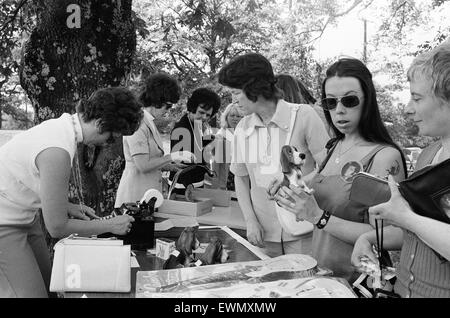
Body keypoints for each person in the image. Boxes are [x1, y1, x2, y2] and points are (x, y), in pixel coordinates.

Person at [271, 58, 407, 283]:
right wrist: (287, 184)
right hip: (323, 277)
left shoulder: (383, 156)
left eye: (350, 100)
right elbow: (319, 180)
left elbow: (391, 235)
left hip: (360, 282)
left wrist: (317, 216)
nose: (340, 110)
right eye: (330, 103)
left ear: (368, 100)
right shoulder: (335, 146)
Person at [0, 87, 143, 297]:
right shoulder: (56, 149)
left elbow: (22, 177)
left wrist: (66, 206)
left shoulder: (62, 128)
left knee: (52, 288)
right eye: (113, 137)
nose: (108, 144)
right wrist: (110, 224)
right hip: (4, 223)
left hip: (23, 216)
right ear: (101, 123)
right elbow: (57, 228)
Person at [351, 41, 450, 297]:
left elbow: (412, 221)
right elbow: (417, 232)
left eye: (417, 98)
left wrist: (406, 217)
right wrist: (369, 239)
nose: (407, 108)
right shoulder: (429, 155)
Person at [218, 52, 330, 257]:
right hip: (262, 234)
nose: (233, 101)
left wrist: (295, 183)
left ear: (254, 88)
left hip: (304, 229)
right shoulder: (243, 127)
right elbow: (241, 178)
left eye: (235, 93)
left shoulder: (304, 116)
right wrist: (250, 221)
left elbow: (328, 168)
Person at [115, 73, 191, 207]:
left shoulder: (149, 122)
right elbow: (143, 165)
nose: (168, 111)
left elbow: (151, 159)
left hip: (148, 193)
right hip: (135, 195)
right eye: (168, 106)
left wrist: (170, 167)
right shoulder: (138, 124)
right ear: (157, 100)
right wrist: (173, 156)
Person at [169, 87, 221, 195]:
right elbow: (179, 161)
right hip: (182, 186)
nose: (204, 117)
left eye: (208, 115)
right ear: (192, 107)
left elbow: (195, 145)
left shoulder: (196, 124)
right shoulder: (181, 128)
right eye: (201, 112)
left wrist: (211, 138)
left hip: (197, 182)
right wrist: (188, 185)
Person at [207, 102, 244, 190]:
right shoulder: (221, 135)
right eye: (232, 115)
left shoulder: (242, 133)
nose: (235, 119)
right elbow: (218, 165)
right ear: (226, 117)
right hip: (228, 178)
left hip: (241, 174)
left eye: (238, 116)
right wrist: (221, 186)